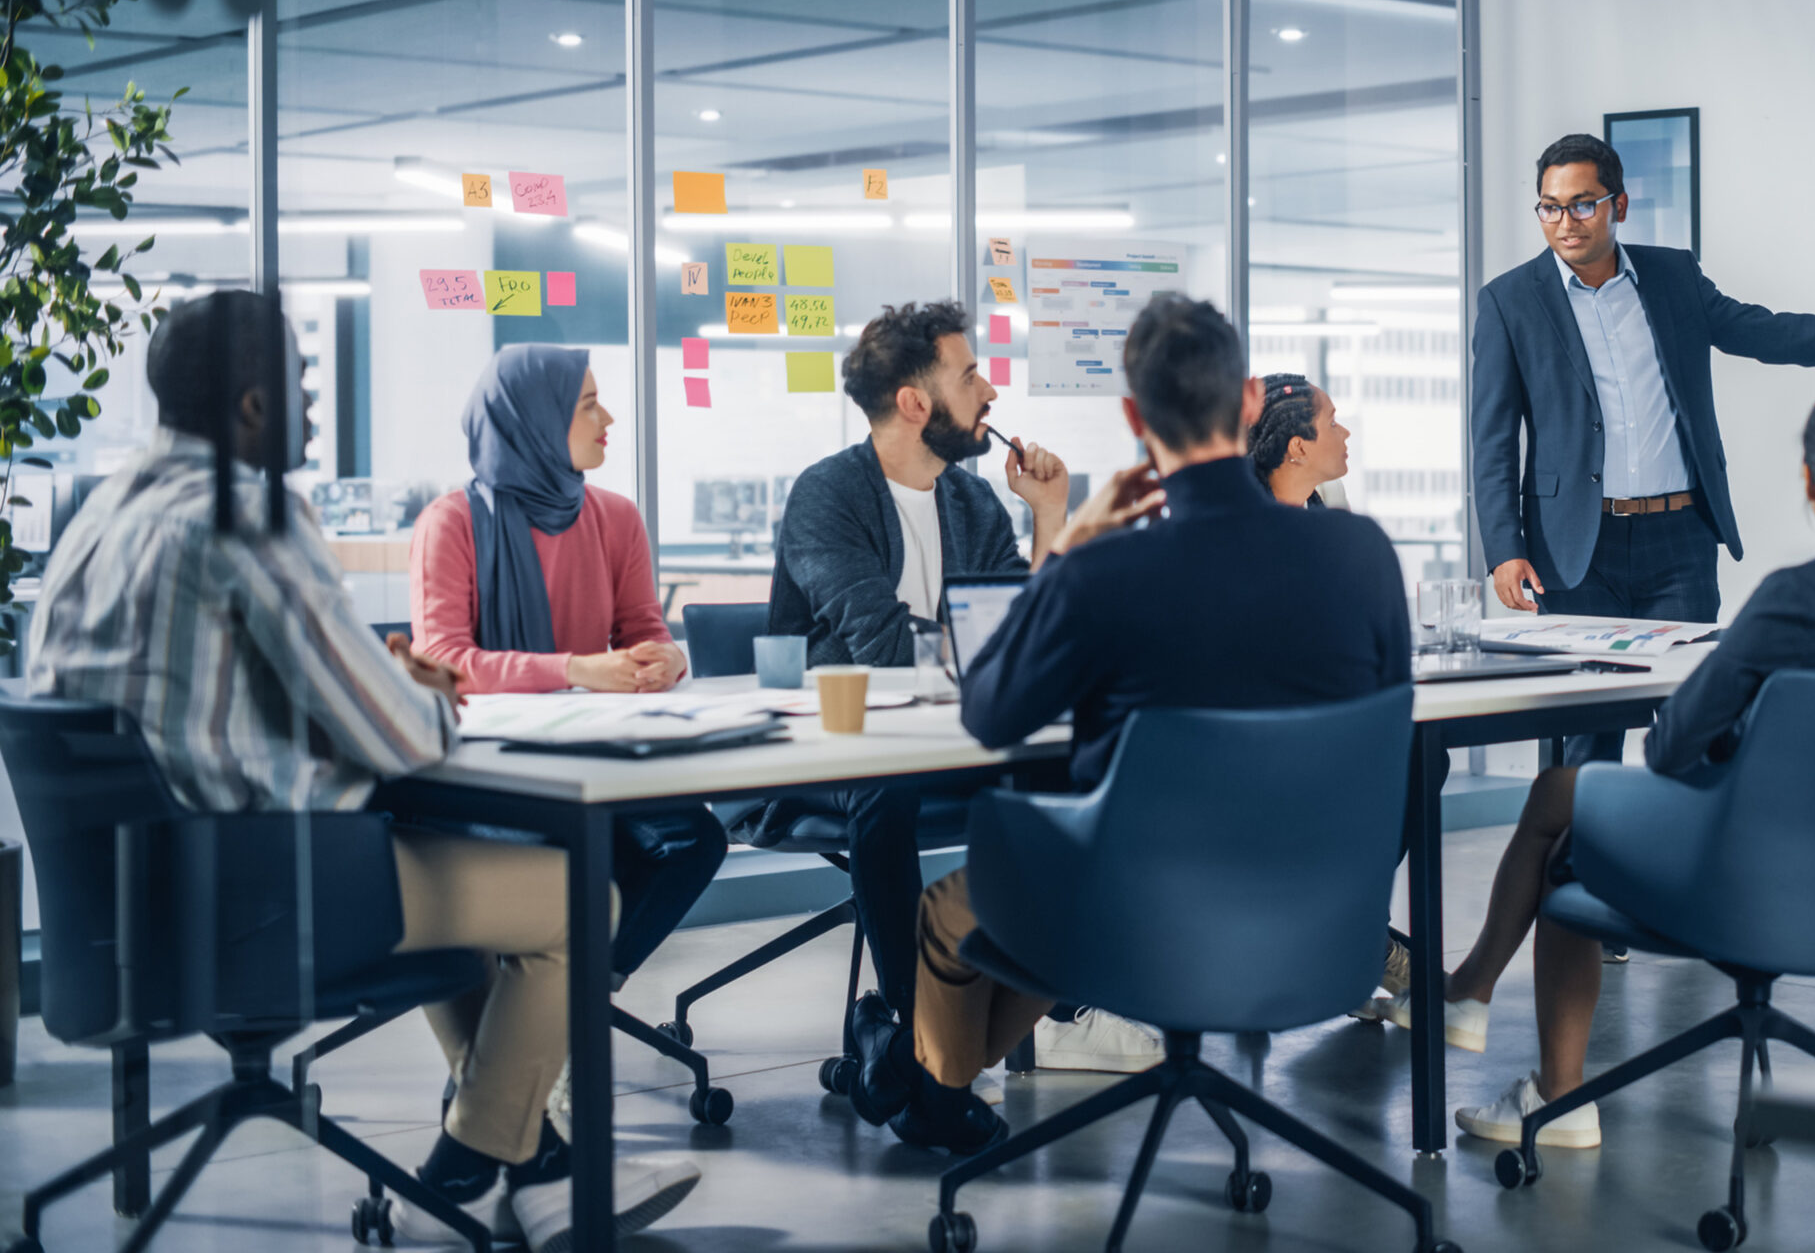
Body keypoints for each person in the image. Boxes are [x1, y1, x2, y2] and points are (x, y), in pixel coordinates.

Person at [27, 292, 698, 1247]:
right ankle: (482, 1152)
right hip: (262, 897)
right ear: (252, 406)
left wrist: (386, 683)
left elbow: (213, 694)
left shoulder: (98, 518)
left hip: (125, 913)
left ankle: (533, 1160)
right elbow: (401, 738)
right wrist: (418, 690)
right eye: (302, 381)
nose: (314, 403)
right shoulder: (249, 513)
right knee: (577, 899)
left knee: (445, 848)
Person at [891, 294, 1412, 1156]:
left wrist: (1067, 543)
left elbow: (990, 713)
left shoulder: (1110, 571)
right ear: (1247, 404)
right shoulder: (1363, 557)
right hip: (1319, 918)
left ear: (1135, 417)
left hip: (1136, 925)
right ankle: (926, 1081)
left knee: (952, 907)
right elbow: (1386, 731)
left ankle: (935, 1097)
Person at [1405, 380, 1815, 1150]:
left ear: (1813, 480)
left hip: (1745, 873)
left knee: (1565, 826)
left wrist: (1732, 736)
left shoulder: (1796, 597)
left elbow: (1670, 748)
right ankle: (1472, 997)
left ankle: (1555, 1093)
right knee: (1567, 797)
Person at [739, 301, 1135, 1122]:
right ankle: (925, 1064)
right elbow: (880, 645)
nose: (990, 390)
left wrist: (1049, 519)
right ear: (915, 403)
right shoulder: (829, 496)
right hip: (829, 759)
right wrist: (973, 650)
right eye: (967, 375)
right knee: (887, 794)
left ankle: (1021, 1014)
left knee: (1074, 773)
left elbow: (1020, 647)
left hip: (948, 744)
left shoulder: (975, 504)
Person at [1473, 133, 1815, 764]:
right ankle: (1572, 864)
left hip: (1677, 541)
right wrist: (1504, 550)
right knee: (1586, 739)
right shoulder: (1510, 301)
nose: (1565, 222)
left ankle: (1688, 855)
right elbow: (1491, 438)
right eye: (1550, 207)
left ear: (1618, 205)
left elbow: (1770, 332)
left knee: (1696, 725)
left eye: (1583, 204)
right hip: (1575, 550)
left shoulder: (1672, 276)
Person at [408, 344, 728, 991]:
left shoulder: (616, 517)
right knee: (550, 863)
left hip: (592, 756)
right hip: (488, 771)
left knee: (696, 839)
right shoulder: (451, 524)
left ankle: (571, 1000)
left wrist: (665, 658)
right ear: (534, 420)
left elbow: (643, 631)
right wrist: (577, 669)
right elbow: (441, 663)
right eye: (587, 405)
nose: (607, 418)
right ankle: (542, 1028)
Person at [1246, 372, 1350, 508]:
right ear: (1298, 448)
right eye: (1332, 423)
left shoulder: (1331, 494)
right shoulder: (1242, 517)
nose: (1346, 433)